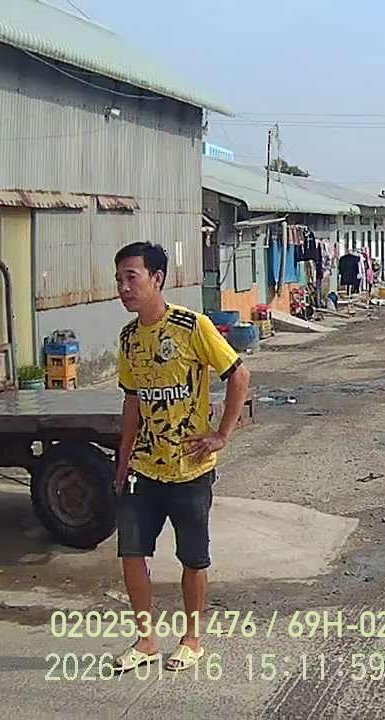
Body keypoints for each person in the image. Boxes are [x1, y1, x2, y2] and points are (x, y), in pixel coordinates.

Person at [109, 242, 251, 674]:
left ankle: (191, 639)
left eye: (131, 277)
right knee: (132, 552)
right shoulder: (129, 338)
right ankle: (146, 640)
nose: (124, 288)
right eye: (119, 279)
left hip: (190, 468)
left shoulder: (192, 326)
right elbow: (132, 401)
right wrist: (122, 459)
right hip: (144, 467)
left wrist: (221, 435)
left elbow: (239, 374)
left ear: (157, 279)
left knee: (192, 557)